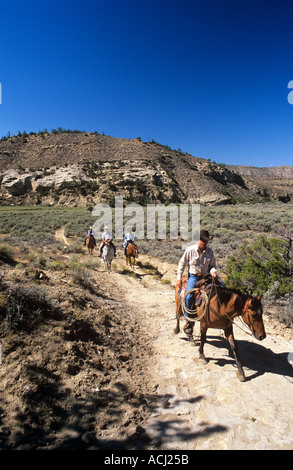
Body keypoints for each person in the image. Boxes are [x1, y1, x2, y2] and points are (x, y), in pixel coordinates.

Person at [176, 229, 223, 336]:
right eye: (202, 240)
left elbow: (212, 266)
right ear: (199, 240)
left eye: (206, 241)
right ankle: (189, 321)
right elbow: (182, 264)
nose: (204, 242)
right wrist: (179, 278)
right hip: (194, 277)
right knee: (189, 296)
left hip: (206, 277)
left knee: (221, 288)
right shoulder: (190, 250)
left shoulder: (210, 252)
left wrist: (213, 272)